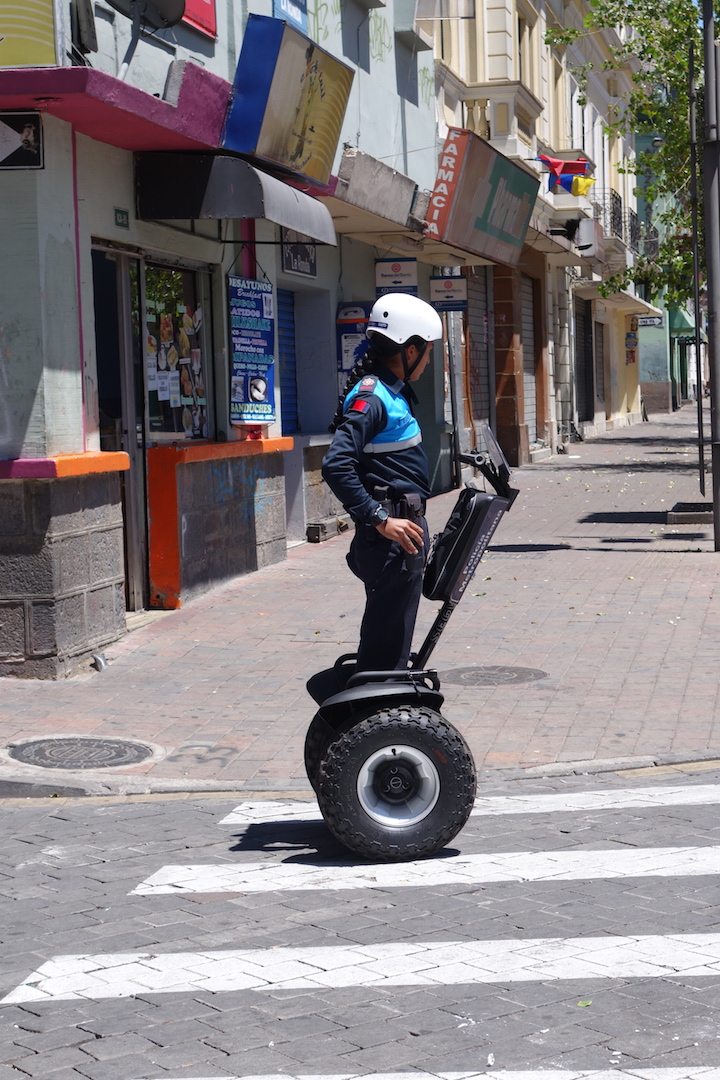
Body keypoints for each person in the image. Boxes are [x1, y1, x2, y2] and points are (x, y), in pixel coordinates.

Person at [322, 293, 443, 673]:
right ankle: (375, 722)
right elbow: (336, 464)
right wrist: (379, 518)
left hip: (400, 536)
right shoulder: (374, 398)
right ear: (410, 350)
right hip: (391, 539)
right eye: (427, 351)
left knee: (393, 637)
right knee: (385, 649)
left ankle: (381, 714)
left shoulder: (393, 394)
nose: (428, 360)